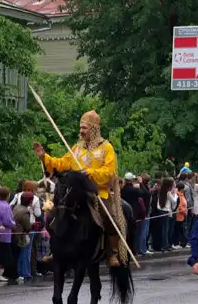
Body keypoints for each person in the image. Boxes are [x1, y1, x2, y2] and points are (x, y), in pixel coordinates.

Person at [32, 110, 129, 267]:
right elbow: (61, 164)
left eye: (84, 128)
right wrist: (44, 157)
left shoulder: (106, 148)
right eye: (80, 128)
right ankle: (56, 249)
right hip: (76, 192)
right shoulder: (76, 148)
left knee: (109, 216)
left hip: (97, 192)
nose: (81, 131)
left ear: (94, 129)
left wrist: (90, 172)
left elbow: (109, 172)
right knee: (55, 215)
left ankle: (112, 251)